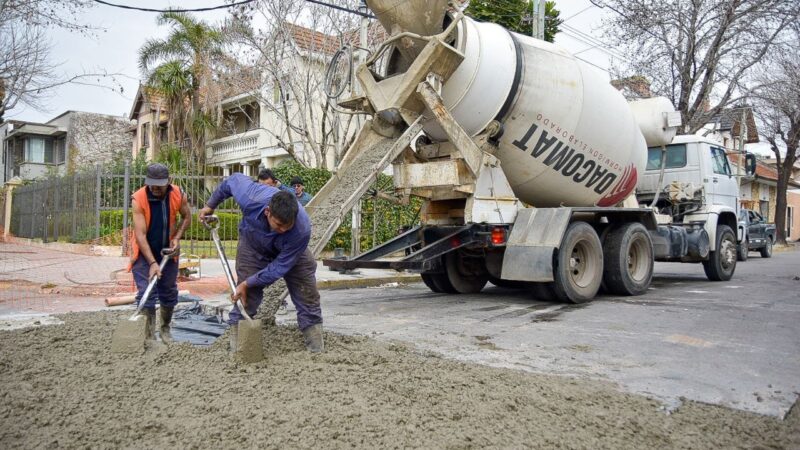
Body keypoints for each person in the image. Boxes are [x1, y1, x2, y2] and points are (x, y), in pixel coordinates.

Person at [198, 173, 324, 352]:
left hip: (291, 250)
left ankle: (316, 347)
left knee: (306, 292)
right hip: (253, 244)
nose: (282, 230)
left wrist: (248, 281)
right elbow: (231, 181)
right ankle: (239, 349)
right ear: (267, 212)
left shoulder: (301, 229)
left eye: (287, 226)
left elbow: (280, 267)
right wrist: (210, 205)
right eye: (279, 225)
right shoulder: (250, 196)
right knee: (246, 297)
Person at [130, 163, 191, 344]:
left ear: (169, 181)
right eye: (152, 183)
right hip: (143, 253)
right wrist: (151, 263)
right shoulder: (139, 199)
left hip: (167, 252)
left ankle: (165, 330)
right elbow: (140, 235)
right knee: (147, 293)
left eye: (160, 184)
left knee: (169, 292)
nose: (155, 188)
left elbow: (187, 217)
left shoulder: (178, 195)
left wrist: (177, 238)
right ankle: (149, 337)